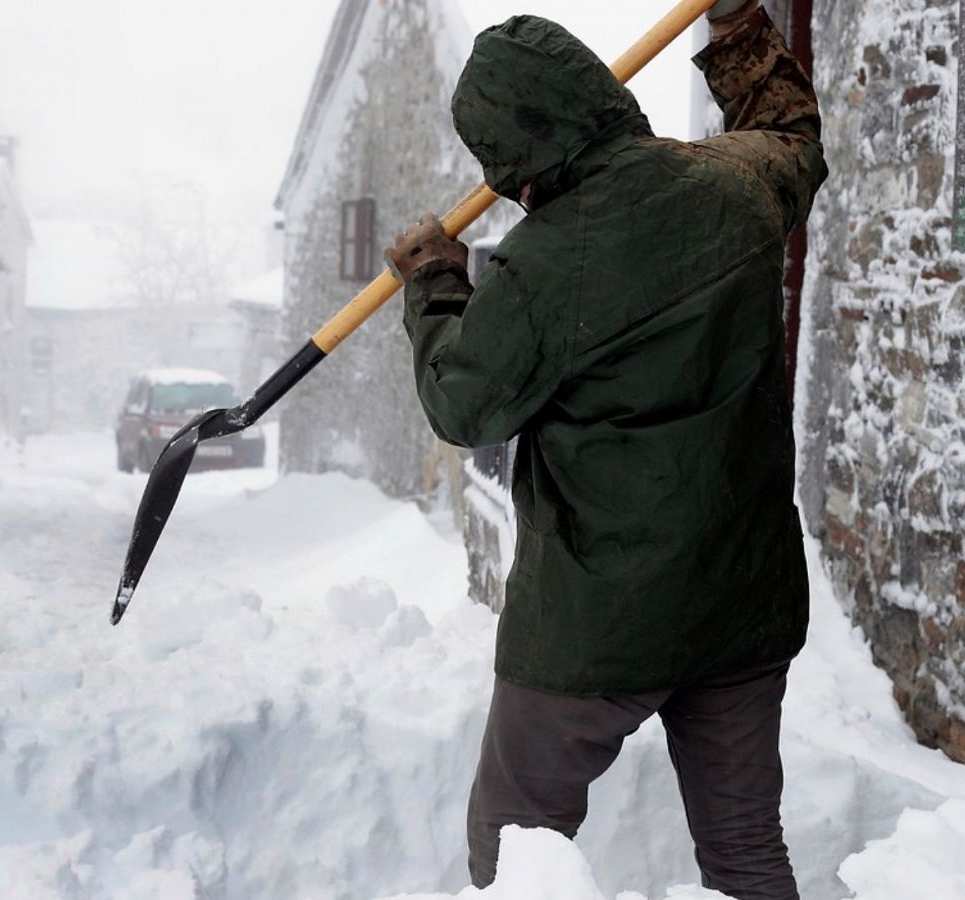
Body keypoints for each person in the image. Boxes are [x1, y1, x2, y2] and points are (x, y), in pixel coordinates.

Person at [383, 2, 826, 898]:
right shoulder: (738, 185)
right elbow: (792, 136)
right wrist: (740, 33)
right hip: (741, 601)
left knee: (516, 846)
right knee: (746, 850)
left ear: (507, 158)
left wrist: (434, 281)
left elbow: (463, 402)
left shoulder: (536, 270)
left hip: (595, 628)